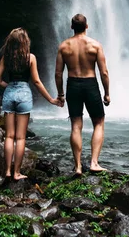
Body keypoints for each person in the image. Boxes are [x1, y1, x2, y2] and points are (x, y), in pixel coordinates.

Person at [0, 27, 60, 181]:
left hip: (9, 94)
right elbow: (36, 81)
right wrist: (51, 99)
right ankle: (17, 172)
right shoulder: (30, 58)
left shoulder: (6, 57)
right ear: (25, 42)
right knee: (21, 138)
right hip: (24, 95)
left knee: (9, 136)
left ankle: (7, 172)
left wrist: (9, 87)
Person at [55, 13, 110, 176]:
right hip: (90, 84)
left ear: (72, 27)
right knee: (99, 122)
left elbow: (58, 73)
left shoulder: (64, 46)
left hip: (73, 85)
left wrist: (61, 94)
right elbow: (104, 72)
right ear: (87, 26)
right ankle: (94, 163)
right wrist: (107, 93)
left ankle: (78, 166)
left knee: (76, 125)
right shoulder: (95, 45)